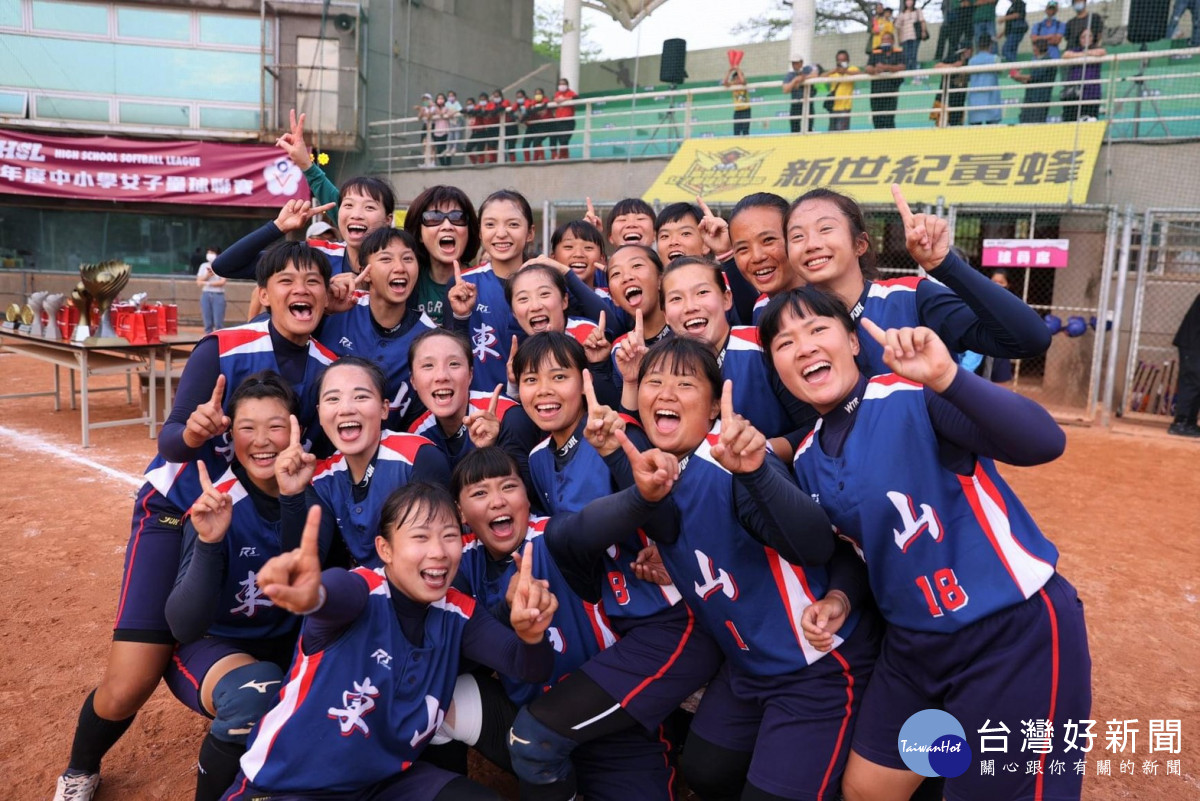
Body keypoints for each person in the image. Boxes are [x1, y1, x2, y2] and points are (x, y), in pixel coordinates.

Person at [759, 286, 1091, 801]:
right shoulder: (804, 457)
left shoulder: (912, 395)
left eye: (818, 329)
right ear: (777, 368)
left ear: (852, 341)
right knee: (869, 789)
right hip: (914, 649)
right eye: (784, 343)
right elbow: (854, 548)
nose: (803, 347)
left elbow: (1045, 442)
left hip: (1009, 633)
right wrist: (841, 597)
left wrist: (948, 378)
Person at [53, 242, 337, 801]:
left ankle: (245, 719)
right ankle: (81, 768)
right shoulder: (224, 347)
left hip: (254, 513)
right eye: (285, 279)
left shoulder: (330, 367)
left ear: (329, 296)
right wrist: (195, 430)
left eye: (313, 281)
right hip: (178, 510)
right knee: (131, 679)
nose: (300, 289)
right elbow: (169, 441)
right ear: (263, 293)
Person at [582, 337, 879, 799]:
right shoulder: (662, 467)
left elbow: (817, 546)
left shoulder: (733, 464)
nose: (664, 393)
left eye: (685, 384)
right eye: (653, 381)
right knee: (705, 770)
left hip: (816, 663)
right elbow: (667, 517)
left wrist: (756, 472)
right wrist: (614, 454)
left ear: (716, 409)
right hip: (748, 667)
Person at [219, 483, 557, 800]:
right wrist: (312, 594)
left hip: (384, 786)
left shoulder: (458, 612)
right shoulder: (362, 591)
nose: (438, 552)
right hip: (287, 787)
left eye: (450, 536)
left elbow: (530, 667)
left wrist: (531, 635)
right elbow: (333, 593)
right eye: (420, 537)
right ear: (386, 549)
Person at [448, 448, 676, 801]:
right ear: (461, 513)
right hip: (526, 728)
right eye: (479, 493)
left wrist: (641, 496)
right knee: (437, 696)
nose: (497, 501)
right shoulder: (461, 562)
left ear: (526, 495)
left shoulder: (553, 538)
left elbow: (589, 524)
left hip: (610, 732)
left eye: (508, 486)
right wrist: (506, 611)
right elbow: (448, 649)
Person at [163, 373, 336, 800]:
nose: (262, 440)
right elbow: (184, 625)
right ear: (230, 438)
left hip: (285, 645)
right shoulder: (217, 503)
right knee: (253, 694)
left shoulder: (314, 500)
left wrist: (293, 497)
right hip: (214, 646)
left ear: (296, 430)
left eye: (276, 426)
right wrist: (210, 541)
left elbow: (299, 588)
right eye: (247, 428)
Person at [785, 185, 1051, 376]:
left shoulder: (910, 298)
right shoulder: (784, 317)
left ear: (860, 244)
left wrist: (945, 265)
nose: (812, 245)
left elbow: (1030, 338)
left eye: (825, 229)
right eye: (797, 236)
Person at [308, 357, 451, 567]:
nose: (346, 409)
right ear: (319, 414)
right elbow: (310, 562)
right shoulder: (322, 477)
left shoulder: (417, 457)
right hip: (363, 592)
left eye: (360, 396)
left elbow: (435, 549)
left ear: (384, 409)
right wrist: (291, 494)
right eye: (333, 399)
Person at [316, 227, 438, 432]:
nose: (399, 267)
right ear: (365, 271)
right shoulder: (336, 309)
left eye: (408, 259)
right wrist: (322, 308)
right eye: (386, 259)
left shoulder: (430, 337)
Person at [406, 329, 525, 468]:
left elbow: (523, 487)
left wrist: (491, 449)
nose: (441, 376)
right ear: (413, 381)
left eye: (454, 364)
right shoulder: (418, 432)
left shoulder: (508, 416)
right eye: (428, 365)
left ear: (470, 374)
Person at [402, 184, 481, 326]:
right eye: (433, 218)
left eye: (457, 217)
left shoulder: (483, 284)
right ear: (419, 234)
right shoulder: (404, 281)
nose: (447, 226)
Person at [1168, 291, 1200, 436]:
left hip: (1194, 343)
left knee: (1196, 382)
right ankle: (1181, 423)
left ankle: (1189, 423)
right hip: (1192, 343)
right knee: (1191, 381)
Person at [1061, 26, 1106, 121]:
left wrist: (1085, 54)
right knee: (1070, 121)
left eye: (1089, 36)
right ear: (1079, 38)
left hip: (1091, 93)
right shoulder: (1074, 50)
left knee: (1090, 120)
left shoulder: (1097, 49)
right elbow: (1066, 55)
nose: (1086, 39)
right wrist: (1084, 54)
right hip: (1074, 94)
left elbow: (1102, 52)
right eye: (1083, 36)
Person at [866, 32, 906, 129]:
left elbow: (902, 66)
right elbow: (868, 68)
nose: (885, 41)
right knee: (877, 120)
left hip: (891, 91)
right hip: (876, 92)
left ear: (892, 41)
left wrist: (886, 67)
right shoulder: (875, 52)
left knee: (889, 119)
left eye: (887, 39)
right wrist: (875, 70)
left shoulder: (898, 52)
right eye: (883, 39)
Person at [1012, 39, 1059, 122]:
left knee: (1036, 123)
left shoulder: (1047, 61)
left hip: (1040, 99)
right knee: (1025, 122)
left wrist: (1019, 76)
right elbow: (1031, 81)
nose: (1033, 51)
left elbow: (1032, 77)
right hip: (1030, 98)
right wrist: (1017, 78)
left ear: (1039, 49)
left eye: (1034, 49)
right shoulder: (1037, 61)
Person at [967, 34, 1003, 124]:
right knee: (992, 132)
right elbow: (1001, 71)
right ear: (991, 45)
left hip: (975, 100)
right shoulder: (995, 59)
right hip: (991, 99)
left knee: (976, 132)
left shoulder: (971, 61)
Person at [826, 51, 861, 131]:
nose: (841, 62)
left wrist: (845, 71)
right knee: (831, 132)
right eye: (839, 60)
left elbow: (860, 74)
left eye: (843, 60)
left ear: (848, 61)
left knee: (842, 132)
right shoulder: (834, 73)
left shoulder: (852, 69)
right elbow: (821, 77)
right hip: (833, 108)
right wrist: (833, 71)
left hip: (845, 108)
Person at [782, 56, 819, 132]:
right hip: (796, 104)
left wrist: (803, 78)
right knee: (794, 128)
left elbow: (815, 75)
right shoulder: (790, 75)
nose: (794, 65)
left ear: (801, 62)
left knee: (809, 127)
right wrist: (795, 81)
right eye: (793, 63)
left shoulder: (807, 69)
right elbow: (785, 89)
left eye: (796, 63)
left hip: (808, 103)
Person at [197, 248, 227, 335]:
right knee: (207, 322)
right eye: (208, 252)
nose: (209, 254)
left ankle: (219, 341)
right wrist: (207, 276)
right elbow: (198, 281)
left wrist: (206, 283)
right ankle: (208, 340)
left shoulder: (222, 265)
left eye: (212, 252)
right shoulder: (203, 266)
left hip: (218, 295)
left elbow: (222, 282)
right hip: (206, 294)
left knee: (218, 323)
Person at [549, 78, 578, 159]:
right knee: (553, 138)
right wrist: (555, 100)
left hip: (567, 120)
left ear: (567, 85)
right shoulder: (557, 93)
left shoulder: (570, 92)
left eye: (563, 84)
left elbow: (577, 98)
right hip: (558, 120)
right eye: (560, 84)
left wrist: (565, 99)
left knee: (564, 140)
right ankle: (554, 156)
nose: (561, 86)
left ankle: (564, 156)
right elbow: (553, 101)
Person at [896, 0, 928, 73]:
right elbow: (898, 27)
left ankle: (914, 72)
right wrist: (899, 38)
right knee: (906, 56)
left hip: (915, 37)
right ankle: (907, 72)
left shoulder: (917, 11)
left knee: (913, 55)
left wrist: (923, 31)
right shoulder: (902, 14)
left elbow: (922, 21)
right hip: (905, 38)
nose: (909, 2)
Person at [722, 65, 753, 136]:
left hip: (746, 110)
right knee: (736, 131)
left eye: (740, 77)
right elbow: (724, 83)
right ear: (734, 79)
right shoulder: (733, 85)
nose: (739, 80)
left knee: (745, 131)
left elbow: (743, 81)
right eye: (737, 78)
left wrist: (738, 70)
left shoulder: (744, 85)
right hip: (737, 111)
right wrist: (729, 71)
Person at [523, 87, 550, 161]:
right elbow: (530, 108)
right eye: (536, 94)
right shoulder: (532, 102)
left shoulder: (545, 99)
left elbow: (544, 105)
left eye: (539, 94)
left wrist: (535, 110)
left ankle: (538, 159)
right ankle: (527, 161)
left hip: (541, 125)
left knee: (536, 142)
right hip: (531, 125)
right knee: (525, 144)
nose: (537, 95)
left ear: (543, 94)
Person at [445, 90, 464, 158]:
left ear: (455, 97)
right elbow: (445, 110)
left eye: (452, 96)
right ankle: (448, 148)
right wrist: (447, 114)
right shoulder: (447, 103)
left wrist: (453, 113)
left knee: (457, 134)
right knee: (450, 135)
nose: (451, 97)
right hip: (451, 122)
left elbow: (460, 110)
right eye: (449, 96)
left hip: (457, 121)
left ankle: (454, 148)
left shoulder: (457, 103)